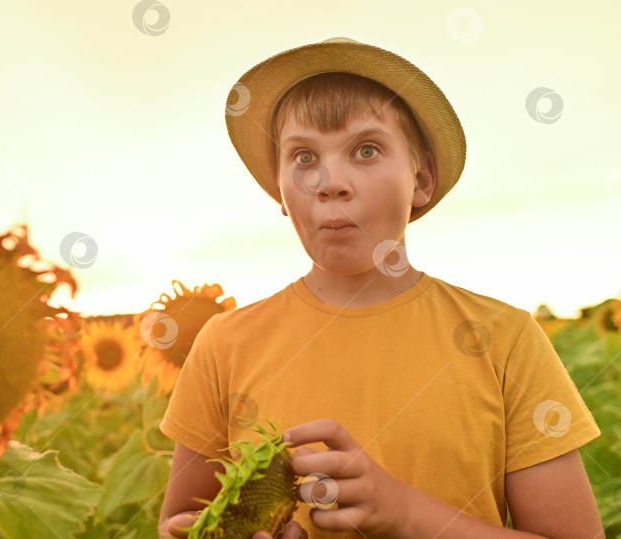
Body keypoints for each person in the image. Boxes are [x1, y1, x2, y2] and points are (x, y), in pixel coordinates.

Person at [157, 37, 605, 538]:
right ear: (279, 191)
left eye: (366, 150)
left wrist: (406, 514)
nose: (330, 181)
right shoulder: (222, 344)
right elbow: (175, 522)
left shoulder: (507, 340)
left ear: (421, 179)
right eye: (303, 157)